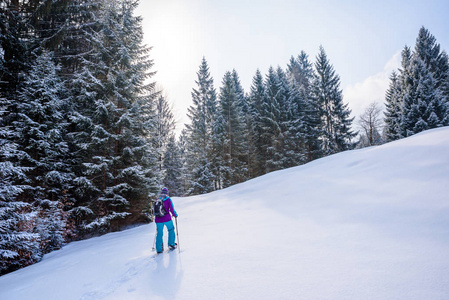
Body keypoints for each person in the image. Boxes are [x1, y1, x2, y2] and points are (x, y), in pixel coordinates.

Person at [155, 187, 178, 253]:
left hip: (158, 219)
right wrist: (175, 215)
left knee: (159, 233)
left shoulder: (157, 199)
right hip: (167, 218)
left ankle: (159, 249)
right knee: (171, 229)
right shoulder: (168, 199)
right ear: (167, 193)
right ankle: (171, 244)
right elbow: (171, 209)